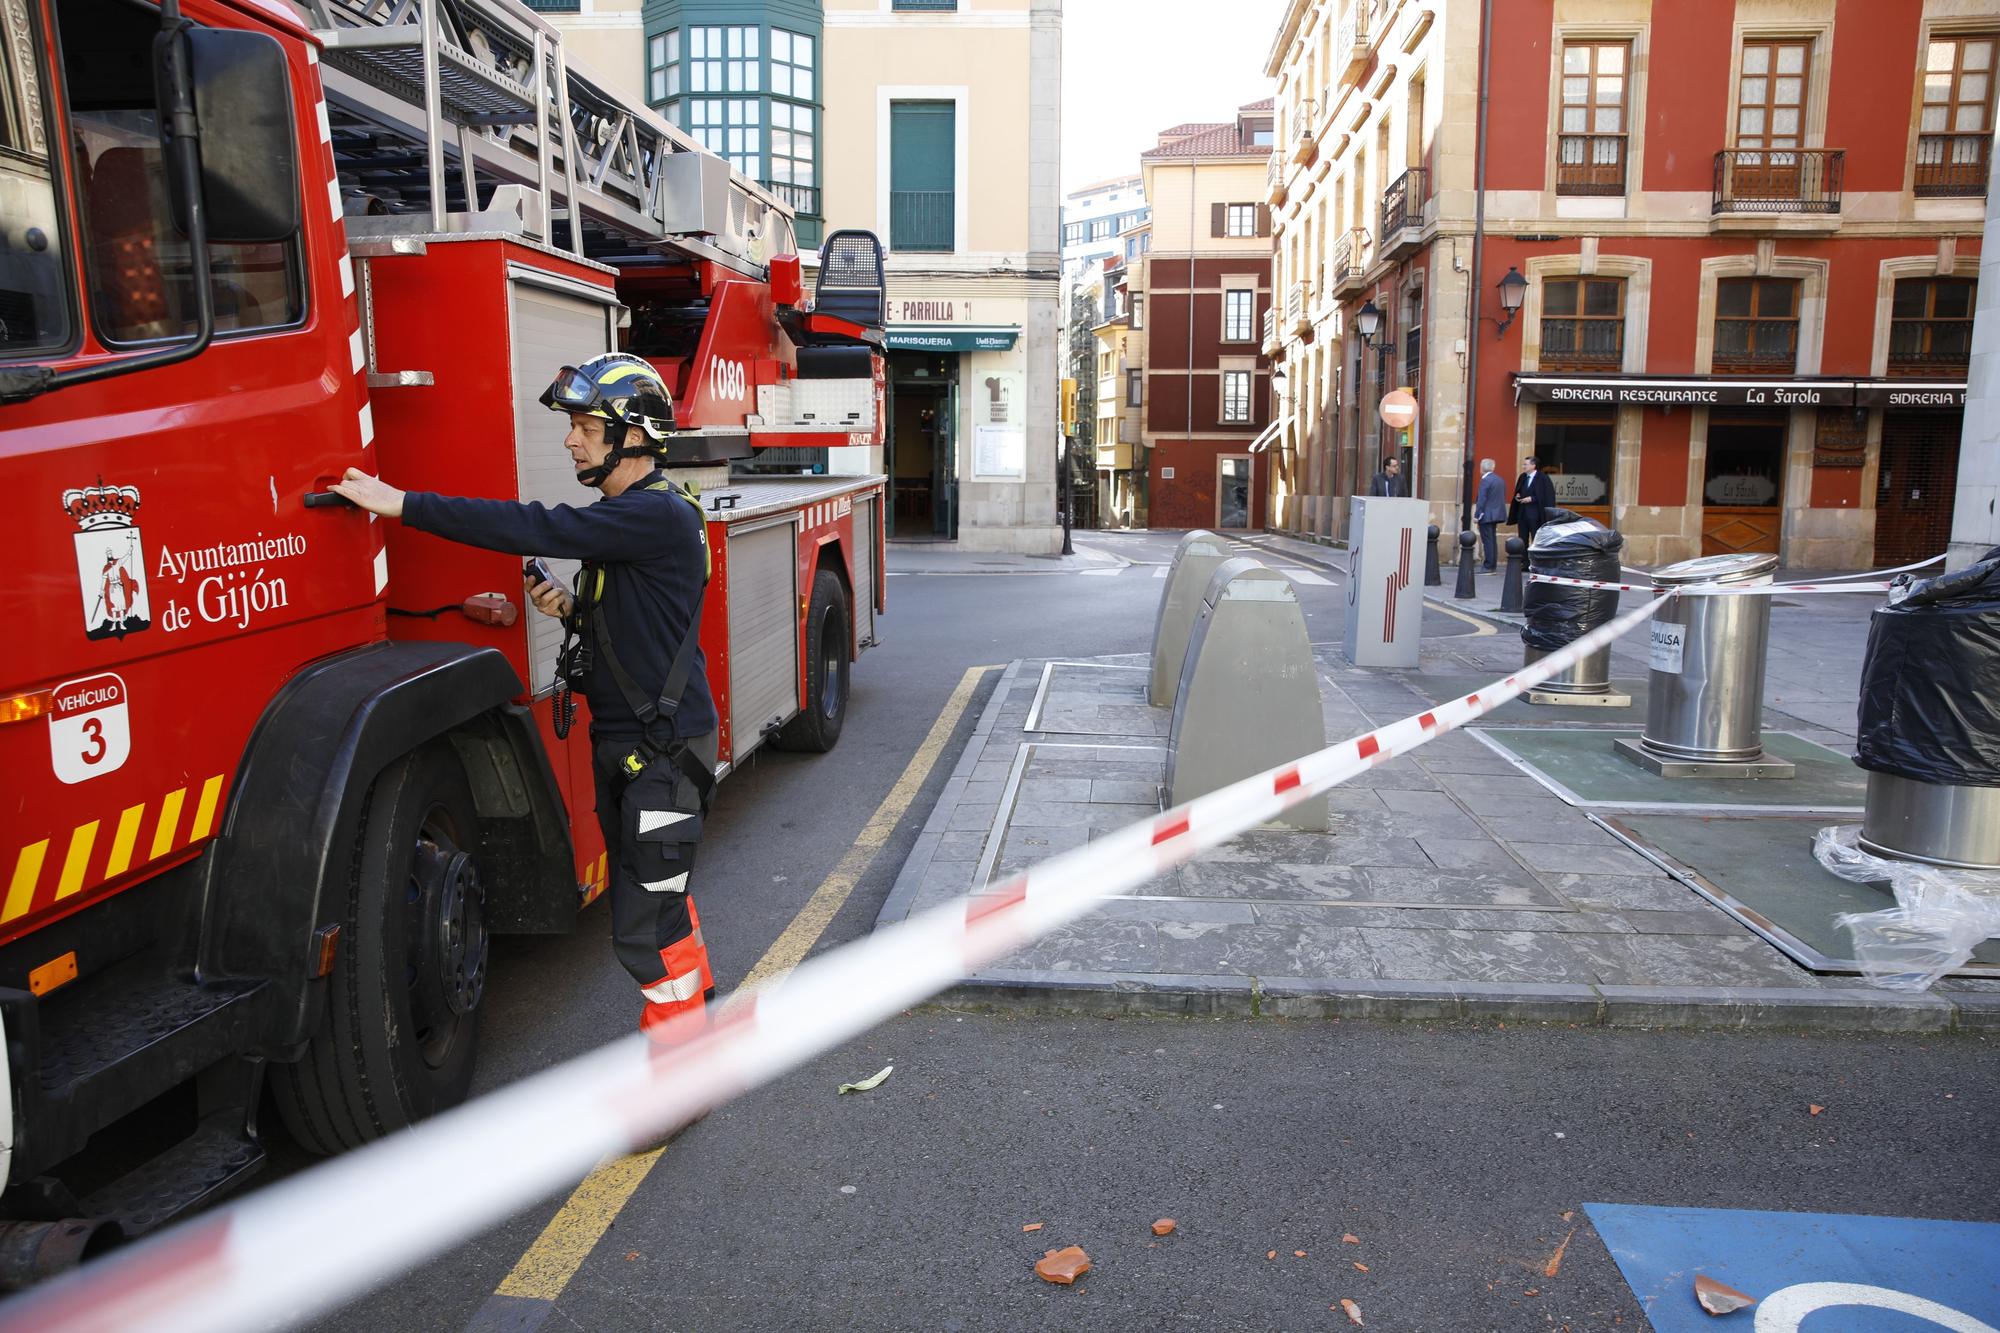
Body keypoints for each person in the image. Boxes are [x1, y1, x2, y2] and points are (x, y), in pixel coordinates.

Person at [331, 352, 720, 1046]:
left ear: (632, 433)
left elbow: (531, 523)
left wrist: (403, 505)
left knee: (643, 929)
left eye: (584, 425)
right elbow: (640, 632)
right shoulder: (638, 521)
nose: (571, 439)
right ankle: (700, 1008)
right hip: (636, 748)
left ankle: (682, 1069)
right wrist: (569, 609)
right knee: (656, 895)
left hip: (659, 756)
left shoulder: (650, 516)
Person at [1510, 454, 1557, 548]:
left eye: (1525, 464)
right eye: (1523, 464)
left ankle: (1535, 561)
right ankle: (1524, 561)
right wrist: (1518, 496)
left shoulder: (1543, 478)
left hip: (1536, 515)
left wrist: (1532, 498)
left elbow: (1547, 496)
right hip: (1522, 514)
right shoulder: (1522, 477)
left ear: (1533, 465)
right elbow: (1518, 491)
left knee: (1536, 539)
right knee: (1522, 539)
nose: (1523, 466)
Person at [1473, 457, 1507, 571]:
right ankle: (1492, 565)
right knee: (1492, 540)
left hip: (1486, 515)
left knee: (1487, 541)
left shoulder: (1485, 480)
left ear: (1481, 468)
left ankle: (1488, 566)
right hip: (1496, 514)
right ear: (1493, 467)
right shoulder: (1500, 479)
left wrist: (1477, 516)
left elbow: (1481, 500)